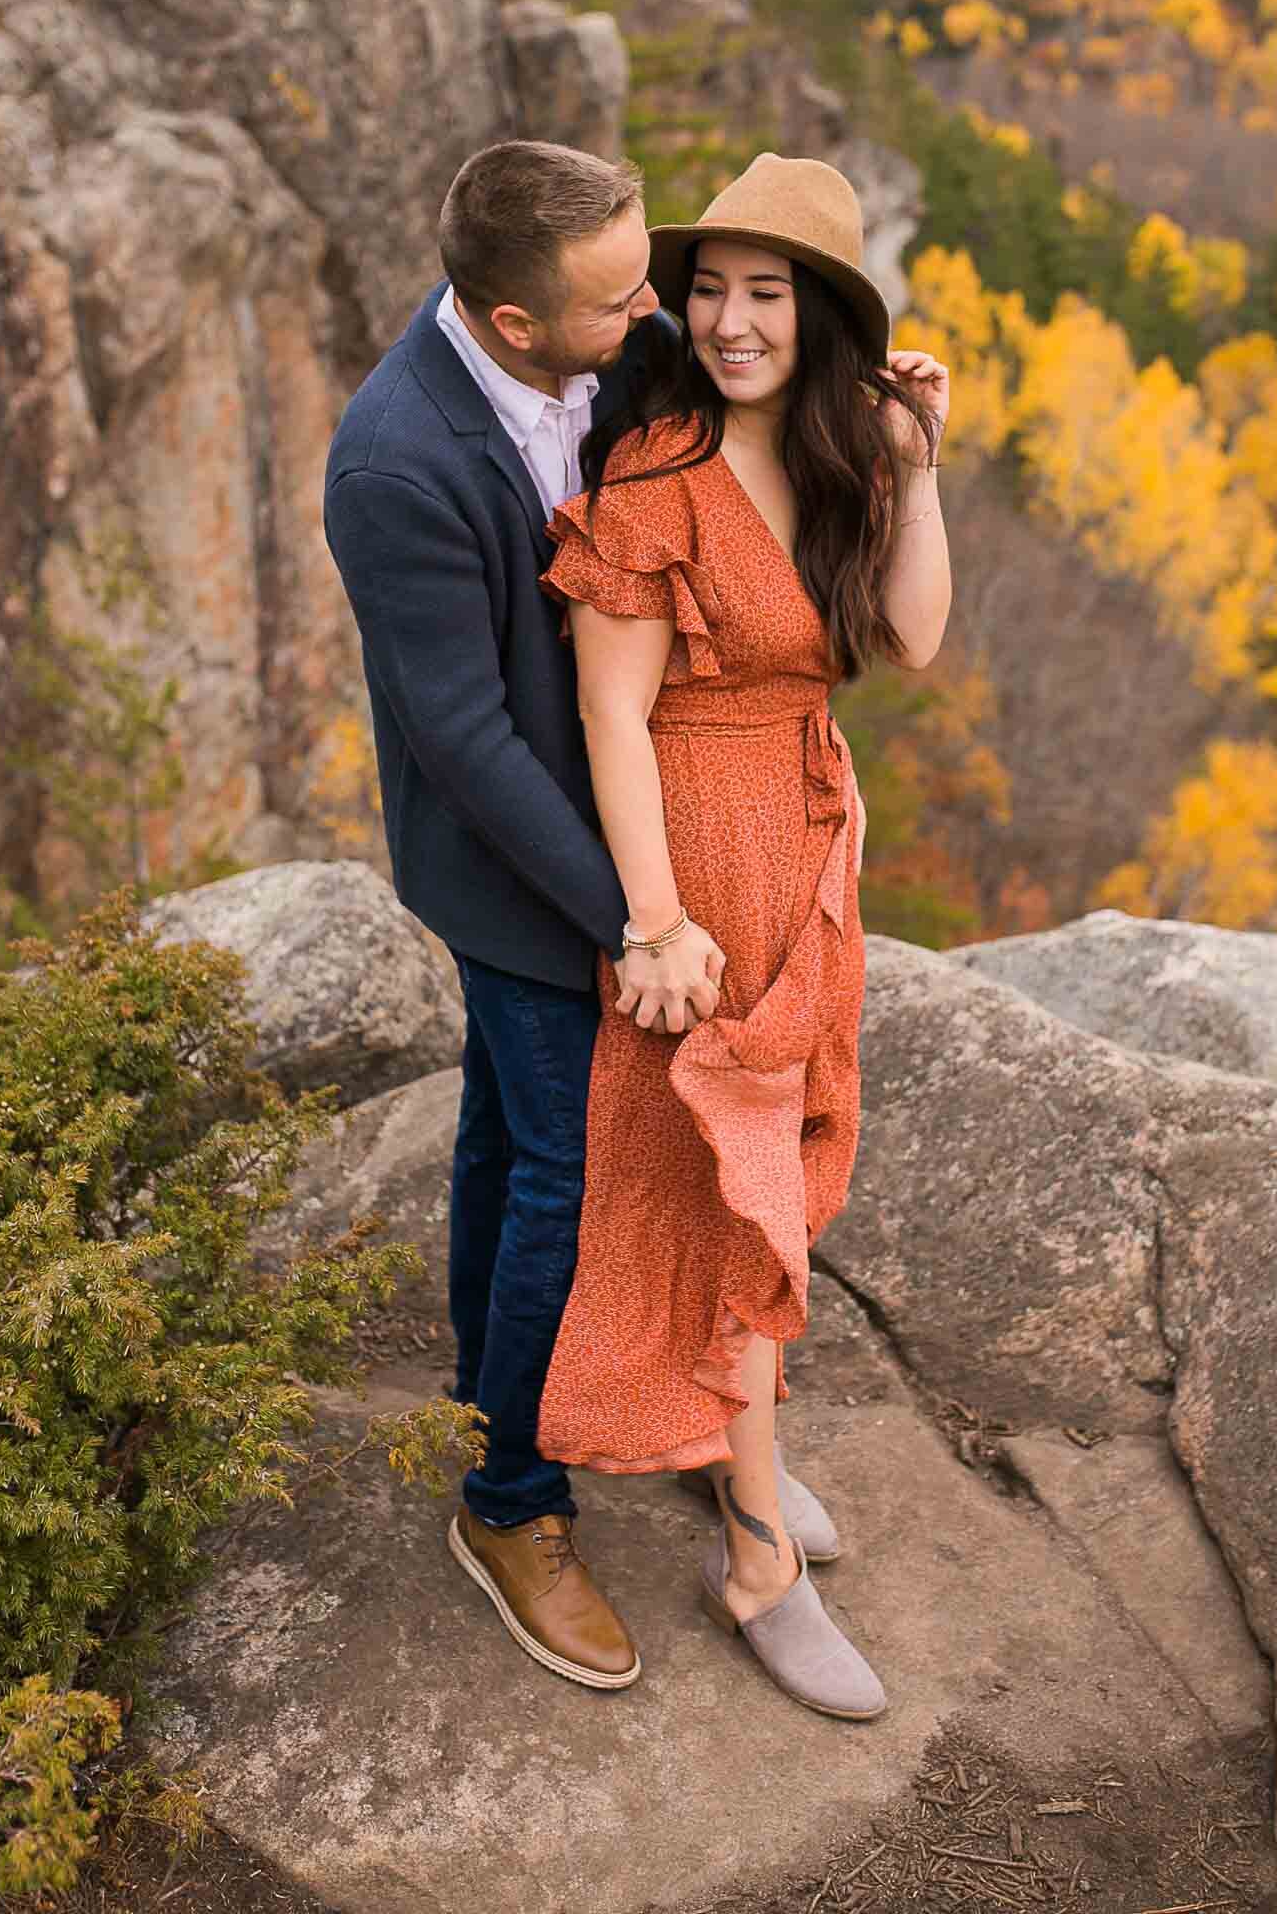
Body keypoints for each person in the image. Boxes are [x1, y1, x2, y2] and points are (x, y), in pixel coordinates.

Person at [534, 151, 951, 1720]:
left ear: (821, 316)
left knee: (776, 1166)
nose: (726, 321)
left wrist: (921, 467)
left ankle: (733, 1445)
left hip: (804, 843)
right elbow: (610, 720)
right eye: (707, 289)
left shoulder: (838, 457)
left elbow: (908, 636)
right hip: (702, 868)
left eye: (764, 294)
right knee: (731, 1193)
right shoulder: (654, 481)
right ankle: (761, 1554)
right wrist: (653, 920)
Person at [323, 139, 712, 1695]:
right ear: (506, 320)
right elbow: (464, 739)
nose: (650, 319)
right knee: (569, 1160)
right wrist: (636, 918)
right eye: (617, 304)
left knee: (501, 1142)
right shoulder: (395, 462)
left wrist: (858, 390)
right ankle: (509, 1504)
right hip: (514, 870)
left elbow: (702, 363)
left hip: (613, 818)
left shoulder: (599, 343)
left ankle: (491, 1397)